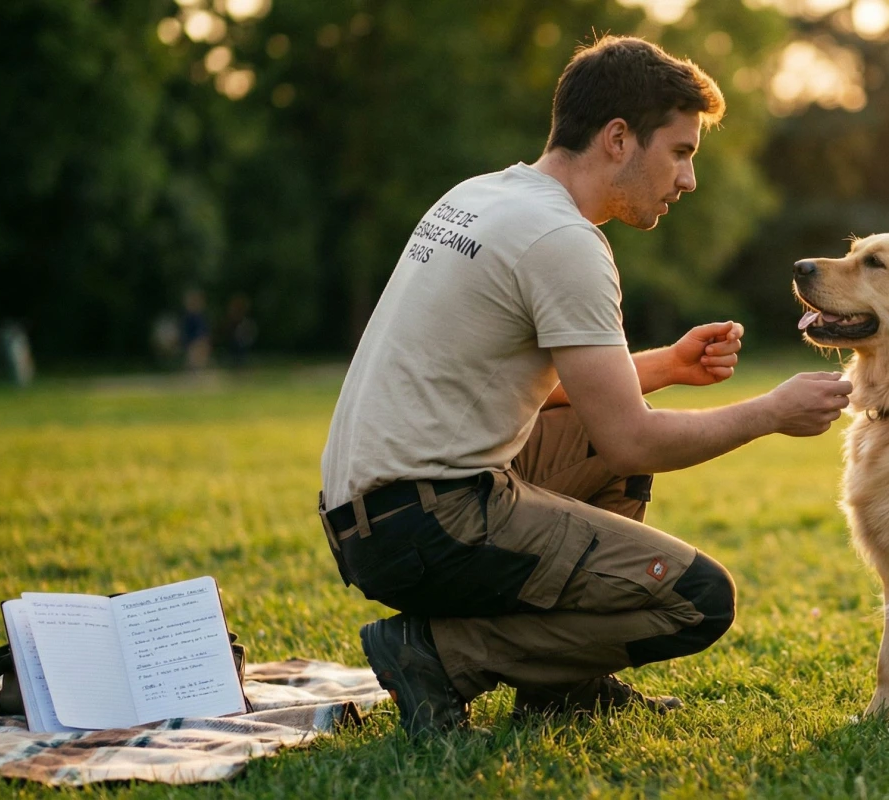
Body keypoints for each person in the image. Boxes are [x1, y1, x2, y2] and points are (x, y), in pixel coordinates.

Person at [317, 35, 853, 737]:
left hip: (369, 513)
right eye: (682, 152)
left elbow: (553, 396)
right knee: (695, 599)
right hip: (428, 521)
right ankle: (439, 657)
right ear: (619, 138)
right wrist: (772, 411)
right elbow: (631, 438)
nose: (688, 180)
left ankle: (563, 685)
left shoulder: (486, 196)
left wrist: (666, 366)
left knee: (601, 457)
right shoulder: (561, 240)